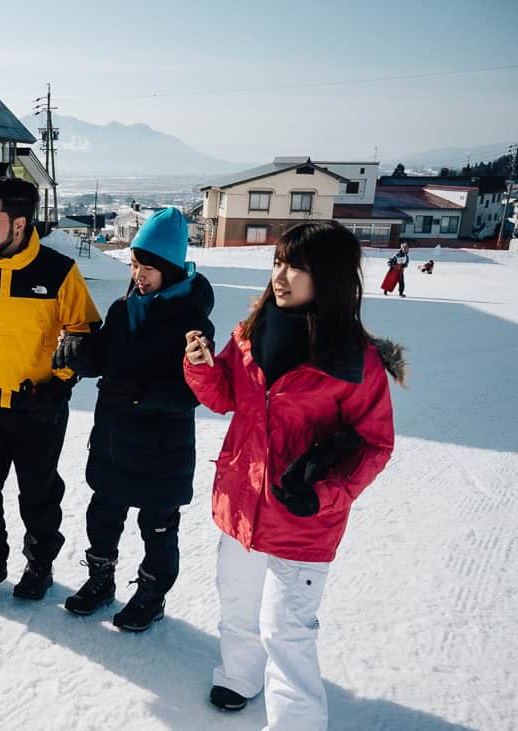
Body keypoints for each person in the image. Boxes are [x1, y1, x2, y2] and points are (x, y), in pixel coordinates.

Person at [183, 221, 404, 729]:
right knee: (237, 607)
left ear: (329, 278)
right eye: (278, 262)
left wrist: (324, 493)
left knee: (286, 632)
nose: (281, 277)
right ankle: (239, 676)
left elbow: (375, 444)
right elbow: (225, 397)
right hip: (241, 505)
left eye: (297, 267)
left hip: (303, 520)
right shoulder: (250, 333)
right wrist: (200, 366)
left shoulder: (356, 361)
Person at [0, 177, 101, 603]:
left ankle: (39, 565)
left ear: (20, 223)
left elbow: (84, 334)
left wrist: (59, 387)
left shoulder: (58, 271)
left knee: (39, 494)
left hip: (39, 405)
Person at [52, 207, 215, 632]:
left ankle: (151, 596)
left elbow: (193, 392)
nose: (138, 275)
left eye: (148, 268)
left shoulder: (193, 323)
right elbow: (103, 357)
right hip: (114, 438)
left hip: (162, 447)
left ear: (170, 269)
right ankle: (101, 580)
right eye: (134, 264)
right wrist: (80, 354)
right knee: (102, 515)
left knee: (157, 527)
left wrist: (139, 395)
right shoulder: (123, 309)